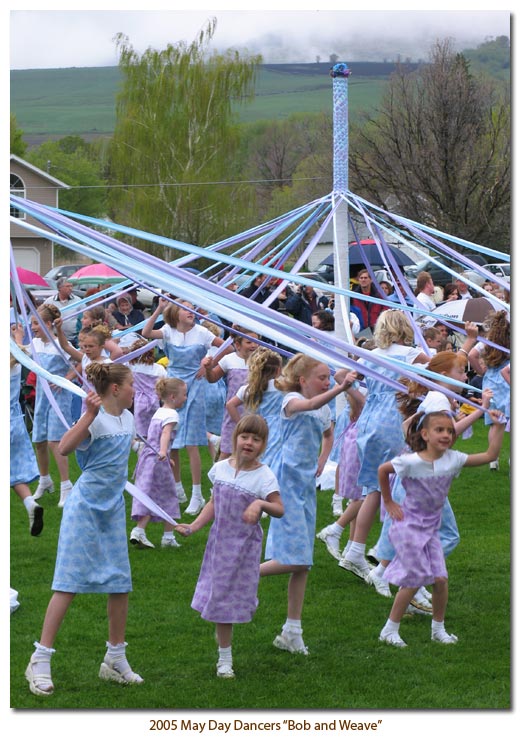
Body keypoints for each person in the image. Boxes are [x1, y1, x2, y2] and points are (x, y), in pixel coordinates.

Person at [25, 363, 143, 696]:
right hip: (84, 508)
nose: (137, 389)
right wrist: (89, 416)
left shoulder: (129, 419)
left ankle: (115, 659)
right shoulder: (95, 418)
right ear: (116, 388)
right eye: (132, 384)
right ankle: (40, 659)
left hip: (112, 509)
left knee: (120, 583)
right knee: (68, 582)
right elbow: (64, 447)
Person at [377, 394, 505, 648]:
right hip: (409, 529)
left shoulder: (453, 459)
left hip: (430, 529)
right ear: (424, 434)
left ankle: (438, 629)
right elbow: (383, 470)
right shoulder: (411, 461)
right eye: (439, 430)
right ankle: (389, 629)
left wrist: (498, 426)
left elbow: (491, 454)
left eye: (449, 430)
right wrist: (389, 502)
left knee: (440, 579)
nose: (446, 435)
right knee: (414, 579)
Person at [368, 348, 495, 604]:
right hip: (423, 476)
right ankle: (413, 577)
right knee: (446, 535)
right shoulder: (438, 398)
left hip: (421, 473)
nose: (465, 377)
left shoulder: (437, 398)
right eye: (460, 371)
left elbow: (418, 429)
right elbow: (447, 434)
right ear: (443, 374)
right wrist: (481, 411)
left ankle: (386, 572)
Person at [259, 354, 355, 655]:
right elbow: (309, 406)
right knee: (299, 559)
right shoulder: (289, 400)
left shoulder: (324, 407)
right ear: (302, 380)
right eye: (321, 377)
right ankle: (244, 570)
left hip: (304, 485)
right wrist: (341, 388)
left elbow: (329, 434)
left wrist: (323, 459)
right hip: (284, 482)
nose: (326, 382)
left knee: (303, 563)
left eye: (329, 377)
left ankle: (292, 630)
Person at [176, 415, 284, 679]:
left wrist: (259, 504)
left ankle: (225, 658)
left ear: (263, 444)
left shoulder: (264, 476)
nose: (249, 443)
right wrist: (194, 526)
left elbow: (279, 509)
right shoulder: (221, 468)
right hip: (219, 546)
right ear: (234, 438)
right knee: (220, 600)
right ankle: (224, 658)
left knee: (226, 600)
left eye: (256, 439)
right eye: (244, 437)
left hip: (243, 549)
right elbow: (213, 503)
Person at [338, 310, 429, 581]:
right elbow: (442, 368)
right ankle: (390, 552)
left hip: (368, 420)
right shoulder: (410, 354)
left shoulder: (372, 354)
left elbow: (343, 373)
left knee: (373, 487)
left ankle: (356, 549)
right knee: (399, 484)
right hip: (393, 417)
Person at [142, 297, 224, 515]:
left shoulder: (202, 332)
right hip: (173, 388)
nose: (192, 311)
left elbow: (227, 345)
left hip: (195, 389)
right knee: (174, 441)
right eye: (186, 309)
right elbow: (146, 333)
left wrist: (209, 362)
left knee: (192, 442)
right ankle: (178, 489)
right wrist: (159, 307)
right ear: (174, 313)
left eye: (192, 308)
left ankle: (197, 494)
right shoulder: (168, 331)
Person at [130, 377, 187, 549]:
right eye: (184, 395)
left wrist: (166, 455)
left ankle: (142, 531)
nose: (185, 398)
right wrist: (163, 452)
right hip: (157, 458)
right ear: (172, 397)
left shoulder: (159, 412)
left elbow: (154, 437)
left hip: (149, 457)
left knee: (149, 493)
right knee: (169, 495)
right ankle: (163, 536)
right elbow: (165, 434)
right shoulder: (172, 414)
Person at [28, 304, 74, 508]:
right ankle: (45, 480)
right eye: (32, 324)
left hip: (59, 397)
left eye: (36, 323)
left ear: (48, 324)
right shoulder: (35, 345)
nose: (33, 328)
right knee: (39, 440)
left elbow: (80, 362)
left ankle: (66, 486)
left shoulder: (60, 344)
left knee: (56, 441)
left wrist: (66, 378)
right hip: (41, 397)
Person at [316, 380, 367, 559]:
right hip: (360, 440)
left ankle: (352, 547)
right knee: (364, 495)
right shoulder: (365, 401)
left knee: (360, 497)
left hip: (360, 438)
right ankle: (337, 530)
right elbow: (341, 377)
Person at [203, 326, 259, 460]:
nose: (254, 345)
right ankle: (219, 479)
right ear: (238, 344)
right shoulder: (229, 359)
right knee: (227, 451)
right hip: (232, 411)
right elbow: (212, 378)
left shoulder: (261, 361)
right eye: (249, 342)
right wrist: (208, 369)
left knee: (253, 452)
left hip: (255, 411)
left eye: (256, 342)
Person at [226, 347, 284, 468]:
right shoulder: (281, 387)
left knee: (256, 458)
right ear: (278, 370)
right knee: (274, 460)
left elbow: (230, 404)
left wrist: (241, 424)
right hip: (278, 428)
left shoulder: (248, 389)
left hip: (255, 427)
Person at [10, 332, 44, 536]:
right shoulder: (15, 363)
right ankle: (30, 504)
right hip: (13, 423)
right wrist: (18, 337)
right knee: (14, 471)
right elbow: (19, 349)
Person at [480, 310, 510, 470]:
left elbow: (471, 355)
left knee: (495, 422)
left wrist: (479, 370)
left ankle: (493, 459)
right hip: (508, 378)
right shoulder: (512, 339)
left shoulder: (486, 341)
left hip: (490, 381)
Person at [126, 337, 167, 442]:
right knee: (155, 427)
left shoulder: (131, 366)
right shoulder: (158, 368)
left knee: (140, 431)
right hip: (155, 400)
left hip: (138, 401)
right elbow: (165, 381)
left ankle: (142, 449)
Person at [44, 278, 82, 345]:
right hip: (55, 339)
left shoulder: (78, 301)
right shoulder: (49, 301)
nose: (70, 288)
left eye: (71, 286)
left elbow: (84, 315)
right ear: (59, 288)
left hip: (73, 338)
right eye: (67, 286)